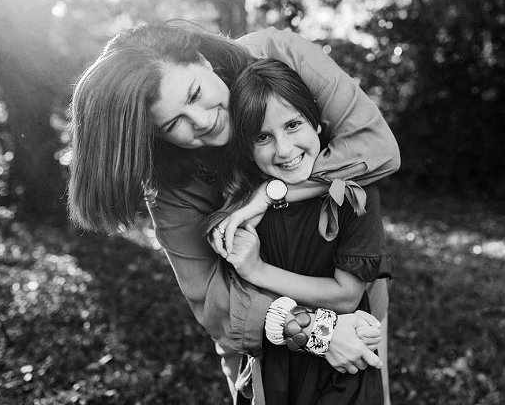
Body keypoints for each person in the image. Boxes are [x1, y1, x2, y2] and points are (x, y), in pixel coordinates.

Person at [67, 20, 400, 404]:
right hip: (264, 335)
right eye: (175, 123)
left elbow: (376, 150)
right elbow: (211, 298)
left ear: (203, 60)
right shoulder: (170, 187)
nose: (204, 122)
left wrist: (269, 194)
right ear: (154, 136)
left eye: (195, 94)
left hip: (354, 300)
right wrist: (317, 332)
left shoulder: (279, 54)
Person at [206, 58, 392, 404]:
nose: (284, 149)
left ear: (318, 125)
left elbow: (346, 295)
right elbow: (234, 300)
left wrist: (258, 269)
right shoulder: (242, 209)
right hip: (274, 368)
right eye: (263, 136)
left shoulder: (355, 195)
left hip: (344, 370)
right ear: (247, 148)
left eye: (293, 125)